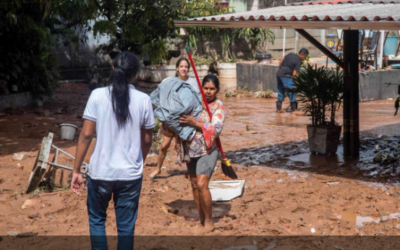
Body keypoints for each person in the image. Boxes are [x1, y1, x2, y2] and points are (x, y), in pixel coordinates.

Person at [70, 51, 155, 250]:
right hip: (130, 175)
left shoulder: (97, 96)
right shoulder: (144, 100)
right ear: (135, 74)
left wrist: (76, 170)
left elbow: (86, 135)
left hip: (100, 173)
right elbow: (147, 139)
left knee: (97, 220)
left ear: (113, 69)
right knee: (126, 228)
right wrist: (138, 161)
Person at [179, 74, 225, 233]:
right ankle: (202, 219)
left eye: (212, 89)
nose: (208, 91)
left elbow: (216, 129)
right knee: (193, 185)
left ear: (217, 90)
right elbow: (183, 119)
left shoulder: (218, 106)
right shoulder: (195, 101)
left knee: (201, 184)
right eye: (206, 88)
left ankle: (209, 222)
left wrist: (195, 123)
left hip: (208, 149)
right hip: (191, 148)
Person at [150, 57, 200, 179]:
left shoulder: (193, 83)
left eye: (186, 67)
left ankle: (191, 171)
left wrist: (192, 121)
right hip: (170, 120)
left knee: (188, 147)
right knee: (164, 146)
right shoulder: (169, 82)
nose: (184, 69)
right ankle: (158, 169)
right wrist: (163, 118)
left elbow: (197, 102)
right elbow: (161, 98)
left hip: (185, 120)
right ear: (177, 68)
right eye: (181, 66)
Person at [276, 48, 309, 112]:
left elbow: (282, 59)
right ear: (302, 55)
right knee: (292, 92)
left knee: (280, 91)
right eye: (305, 57)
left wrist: (280, 68)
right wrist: (295, 83)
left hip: (279, 74)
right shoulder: (298, 61)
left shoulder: (291, 54)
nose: (305, 58)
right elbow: (294, 74)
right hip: (286, 76)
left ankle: (278, 110)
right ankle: (294, 111)